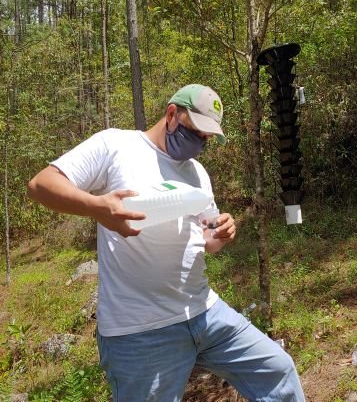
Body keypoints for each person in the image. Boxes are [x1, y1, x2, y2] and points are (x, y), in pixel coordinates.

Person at [27, 84, 305, 402]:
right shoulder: (116, 146)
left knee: (278, 371)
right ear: (172, 114)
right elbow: (41, 184)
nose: (201, 143)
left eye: (207, 138)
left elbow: (205, 239)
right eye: (196, 131)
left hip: (205, 312)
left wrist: (220, 234)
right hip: (140, 331)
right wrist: (98, 207)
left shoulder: (197, 173)